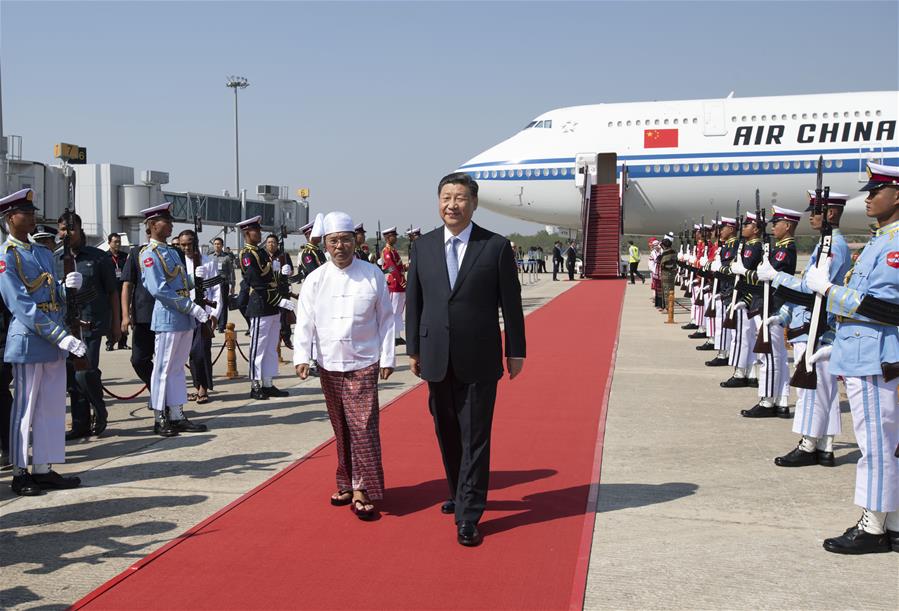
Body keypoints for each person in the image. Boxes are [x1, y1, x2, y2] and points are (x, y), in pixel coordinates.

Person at [406, 172, 526, 547]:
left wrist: (516, 350)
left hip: (480, 355)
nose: (452, 205)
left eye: (459, 198)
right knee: (446, 431)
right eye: (445, 197)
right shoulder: (423, 247)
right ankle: (459, 490)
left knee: (475, 435)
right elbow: (415, 302)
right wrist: (413, 348)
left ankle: (469, 514)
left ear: (473, 203)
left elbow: (512, 304)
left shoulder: (495, 246)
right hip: (436, 356)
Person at [803, 161, 899, 554]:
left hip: (874, 357)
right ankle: (892, 523)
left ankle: (872, 526)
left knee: (875, 444)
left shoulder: (894, 245)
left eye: (877, 191)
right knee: (885, 443)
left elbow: (886, 307)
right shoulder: (880, 240)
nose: (869, 197)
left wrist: (827, 289)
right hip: (862, 352)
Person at [294, 211, 395, 521]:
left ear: (356, 242)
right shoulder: (315, 278)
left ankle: (364, 488)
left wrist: (388, 357)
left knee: (363, 425)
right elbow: (305, 321)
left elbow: (387, 318)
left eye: (346, 240)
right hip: (328, 362)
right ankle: (346, 483)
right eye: (334, 241)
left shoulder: (372, 274)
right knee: (340, 425)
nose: (340, 246)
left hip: (364, 360)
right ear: (326, 244)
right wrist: (302, 356)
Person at [0, 188, 85, 495]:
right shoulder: (6, 256)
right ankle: (21, 472)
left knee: (50, 406)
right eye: (27, 212)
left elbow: (54, 298)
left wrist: (67, 287)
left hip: (53, 339)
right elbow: (21, 305)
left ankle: (44, 467)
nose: (34, 216)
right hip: (29, 340)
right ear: (11, 218)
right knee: (25, 408)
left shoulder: (43, 253)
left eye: (34, 211)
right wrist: (63, 336)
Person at [763, 192, 852, 463]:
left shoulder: (834, 246)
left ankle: (808, 444)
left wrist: (777, 277)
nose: (811, 216)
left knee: (811, 388)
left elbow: (811, 288)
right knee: (823, 388)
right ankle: (824, 445)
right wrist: (787, 314)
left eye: (816, 211)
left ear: (832, 214)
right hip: (808, 322)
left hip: (819, 326)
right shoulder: (823, 245)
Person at [139, 202, 209, 436]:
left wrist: (193, 279)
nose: (170, 225)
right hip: (169, 317)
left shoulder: (172, 251)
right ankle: (160, 416)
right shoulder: (149, 254)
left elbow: (178, 284)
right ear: (152, 225)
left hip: (183, 318)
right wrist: (190, 307)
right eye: (165, 221)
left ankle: (177, 413)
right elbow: (158, 289)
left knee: (178, 368)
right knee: (163, 368)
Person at [56, 212, 121, 439]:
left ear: (80, 230)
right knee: (72, 378)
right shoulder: (55, 258)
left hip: (91, 325)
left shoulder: (98, 257)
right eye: (63, 229)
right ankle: (80, 424)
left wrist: (117, 324)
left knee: (87, 372)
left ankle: (99, 408)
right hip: (65, 328)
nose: (66, 233)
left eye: (71, 229)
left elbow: (112, 291)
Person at [739, 206, 799, 419]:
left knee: (769, 356)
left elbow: (772, 279)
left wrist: (747, 273)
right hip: (770, 304)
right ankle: (781, 400)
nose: (773, 226)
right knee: (777, 356)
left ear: (788, 226)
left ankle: (767, 400)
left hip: (773, 306)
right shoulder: (779, 248)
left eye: (777, 223)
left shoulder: (785, 250)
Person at [238, 215, 295, 400]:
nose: (259, 232)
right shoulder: (247, 255)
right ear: (247, 233)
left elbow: (271, 278)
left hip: (271, 306)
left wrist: (282, 275)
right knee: (258, 347)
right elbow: (257, 282)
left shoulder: (261, 252)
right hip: (260, 304)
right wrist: (279, 300)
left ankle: (268, 382)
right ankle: (255, 384)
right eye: (256, 230)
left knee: (271, 346)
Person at [720, 213, 763, 388]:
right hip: (745, 295)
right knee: (746, 336)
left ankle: (740, 372)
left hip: (747, 296)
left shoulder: (755, 247)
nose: (743, 228)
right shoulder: (748, 246)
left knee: (742, 336)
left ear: (756, 229)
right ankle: (750, 372)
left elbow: (748, 272)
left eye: (747, 225)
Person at [180, 230, 223, 405]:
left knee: (201, 352)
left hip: (203, 313)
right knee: (190, 353)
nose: (186, 248)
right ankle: (197, 386)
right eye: (182, 245)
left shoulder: (208, 262)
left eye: (189, 243)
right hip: (184, 313)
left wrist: (214, 314)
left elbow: (216, 290)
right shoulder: (179, 264)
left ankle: (203, 387)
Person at [121, 227, 156, 396]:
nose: (150, 236)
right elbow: (127, 285)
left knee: (167, 363)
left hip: (167, 315)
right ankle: (156, 390)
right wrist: (125, 316)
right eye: (148, 232)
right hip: (143, 315)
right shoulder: (136, 253)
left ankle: (165, 399)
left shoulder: (171, 252)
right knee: (139, 360)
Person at [706, 219, 739, 366]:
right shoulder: (726, 246)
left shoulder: (735, 245)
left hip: (731, 290)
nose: (720, 232)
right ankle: (723, 352)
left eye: (723, 228)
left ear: (731, 229)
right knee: (722, 323)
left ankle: (725, 353)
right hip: (724, 288)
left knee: (730, 326)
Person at [265, 233, 296, 350]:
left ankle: (286, 337)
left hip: (282, 289)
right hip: (270, 290)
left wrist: (288, 271)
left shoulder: (284, 255)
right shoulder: (263, 256)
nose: (271, 244)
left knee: (284, 316)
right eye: (269, 242)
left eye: (273, 242)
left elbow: (292, 271)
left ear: (277, 244)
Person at [381, 226, 407, 345]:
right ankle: (392, 336)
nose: (395, 238)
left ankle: (397, 336)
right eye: (393, 236)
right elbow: (392, 268)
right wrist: (401, 280)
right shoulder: (387, 252)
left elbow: (398, 267)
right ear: (387, 238)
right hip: (395, 284)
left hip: (399, 284)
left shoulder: (393, 250)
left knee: (398, 311)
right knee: (394, 310)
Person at [210, 237, 235, 333]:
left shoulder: (227, 257)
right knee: (214, 305)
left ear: (222, 246)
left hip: (223, 283)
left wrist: (232, 285)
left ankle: (222, 325)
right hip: (212, 284)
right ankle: (214, 323)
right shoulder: (210, 257)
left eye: (219, 244)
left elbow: (231, 272)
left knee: (223, 304)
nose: (217, 245)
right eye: (215, 244)